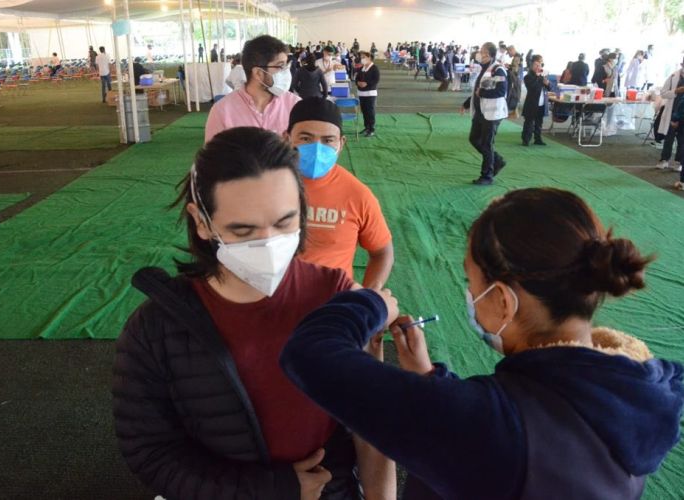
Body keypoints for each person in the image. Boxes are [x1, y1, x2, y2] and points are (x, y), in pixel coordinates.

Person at [281, 187, 684, 500]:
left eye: (470, 282)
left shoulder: (491, 427)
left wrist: (369, 301)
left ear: (503, 300)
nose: (469, 294)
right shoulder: (647, 385)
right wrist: (427, 379)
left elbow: (309, 352)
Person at [113, 126, 395, 500]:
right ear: (201, 221)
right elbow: (151, 452)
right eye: (243, 230)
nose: (269, 244)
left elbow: (371, 427)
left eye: (284, 223)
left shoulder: (339, 298)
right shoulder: (156, 329)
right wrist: (270, 490)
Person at [285, 97, 394, 287]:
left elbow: (382, 252)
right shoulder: (264, 188)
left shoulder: (358, 195)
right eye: (305, 138)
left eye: (328, 140)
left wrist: (368, 299)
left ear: (341, 143)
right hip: (273, 302)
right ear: (287, 139)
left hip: (332, 307)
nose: (317, 148)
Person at [204, 35, 300, 142]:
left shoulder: (296, 106)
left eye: (286, 65)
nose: (285, 72)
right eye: (280, 66)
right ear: (258, 73)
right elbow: (213, 157)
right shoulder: (222, 112)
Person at [462, 42, 508, 186]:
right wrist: (466, 103)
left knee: (487, 144)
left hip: (492, 113)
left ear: (488, 54)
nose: (479, 54)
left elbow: (501, 91)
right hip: (480, 112)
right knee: (474, 139)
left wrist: (481, 93)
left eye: (481, 51)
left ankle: (487, 176)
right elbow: (479, 89)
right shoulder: (484, 69)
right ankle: (497, 160)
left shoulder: (498, 70)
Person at [655, 56, 684, 171]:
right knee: (669, 137)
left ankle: (679, 162)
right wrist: (676, 91)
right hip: (673, 113)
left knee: (682, 140)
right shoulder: (673, 76)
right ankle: (664, 159)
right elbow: (663, 93)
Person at [522, 54, 550, 147]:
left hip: (542, 103)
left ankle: (538, 139)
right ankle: (526, 139)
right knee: (529, 123)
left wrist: (547, 83)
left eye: (540, 65)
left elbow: (550, 88)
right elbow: (532, 87)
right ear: (531, 65)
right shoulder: (528, 77)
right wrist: (538, 77)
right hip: (531, 103)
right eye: (536, 65)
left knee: (539, 122)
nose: (538, 67)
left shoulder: (543, 76)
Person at [355, 51, 380, 138]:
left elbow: (376, 80)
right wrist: (358, 83)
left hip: (370, 93)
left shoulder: (374, 68)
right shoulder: (362, 68)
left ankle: (371, 129)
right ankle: (366, 127)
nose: (362, 59)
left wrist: (367, 84)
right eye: (361, 57)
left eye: (363, 57)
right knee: (364, 111)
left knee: (370, 111)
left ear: (369, 57)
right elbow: (356, 78)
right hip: (361, 93)